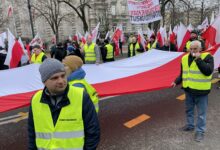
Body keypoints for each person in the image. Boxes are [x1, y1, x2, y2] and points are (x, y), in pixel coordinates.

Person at [28, 58, 100, 150]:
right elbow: (31, 133)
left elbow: (93, 131)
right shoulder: (35, 99)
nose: (61, 81)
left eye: (63, 76)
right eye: (55, 78)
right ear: (44, 81)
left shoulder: (81, 96)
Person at [172, 40, 214, 142]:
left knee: (201, 114)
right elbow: (183, 73)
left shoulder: (208, 57)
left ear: (200, 49)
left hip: (201, 92)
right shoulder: (184, 58)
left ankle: (200, 131)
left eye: (195, 48)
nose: (192, 50)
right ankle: (190, 125)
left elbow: (208, 71)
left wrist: (198, 59)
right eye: (190, 48)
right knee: (189, 110)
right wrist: (176, 81)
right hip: (188, 90)